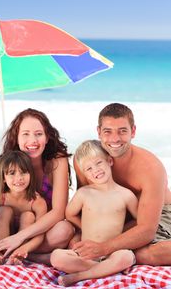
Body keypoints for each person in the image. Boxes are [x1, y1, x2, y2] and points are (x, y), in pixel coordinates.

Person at [0, 108, 74, 264]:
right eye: (25, 134)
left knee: (64, 231)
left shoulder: (57, 161)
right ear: (16, 138)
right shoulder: (2, 165)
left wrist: (18, 238)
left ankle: (23, 253)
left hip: (37, 232)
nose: (33, 141)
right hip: (1, 228)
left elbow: (58, 212)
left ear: (47, 136)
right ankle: (16, 254)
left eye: (38, 134)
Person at [73, 103, 171, 266]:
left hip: (160, 214)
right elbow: (85, 206)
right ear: (99, 132)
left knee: (144, 254)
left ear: (133, 131)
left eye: (122, 131)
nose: (115, 139)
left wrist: (104, 248)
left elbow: (147, 229)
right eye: (108, 131)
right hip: (120, 219)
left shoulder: (150, 168)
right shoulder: (86, 161)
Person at [50, 140, 138, 286]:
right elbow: (69, 214)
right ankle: (108, 270)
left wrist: (122, 234)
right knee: (56, 257)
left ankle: (78, 277)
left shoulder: (126, 195)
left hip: (112, 252)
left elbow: (139, 221)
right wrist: (84, 227)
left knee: (127, 256)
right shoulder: (84, 193)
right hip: (87, 254)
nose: (95, 170)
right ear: (85, 174)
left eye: (98, 163)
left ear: (109, 161)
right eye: (88, 168)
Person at [0, 150, 47, 265]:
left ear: (30, 175)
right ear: (3, 177)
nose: (19, 178)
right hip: (1, 240)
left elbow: (39, 236)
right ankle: (1, 255)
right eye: (12, 173)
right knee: (4, 210)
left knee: (28, 215)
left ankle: (16, 257)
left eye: (23, 172)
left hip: (22, 242)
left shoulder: (37, 202)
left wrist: (23, 250)